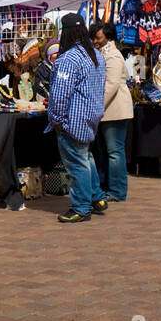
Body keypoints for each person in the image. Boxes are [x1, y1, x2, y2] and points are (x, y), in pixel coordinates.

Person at [48, 13, 106, 223]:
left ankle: (81, 207)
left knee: (77, 163)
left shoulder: (68, 59)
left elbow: (60, 94)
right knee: (86, 157)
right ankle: (96, 196)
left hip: (73, 120)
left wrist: (56, 119)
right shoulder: (96, 55)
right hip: (92, 117)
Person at [89, 22, 133, 202]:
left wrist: (97, 105)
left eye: (98, 37)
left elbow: (111, 85)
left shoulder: (113, 56)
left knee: (115, 151)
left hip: (114, 110)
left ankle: (117, 190)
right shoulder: (102, 54)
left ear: (108, 36)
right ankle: (107, 185)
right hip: (107, 110)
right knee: (105, 151)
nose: (95, 41)